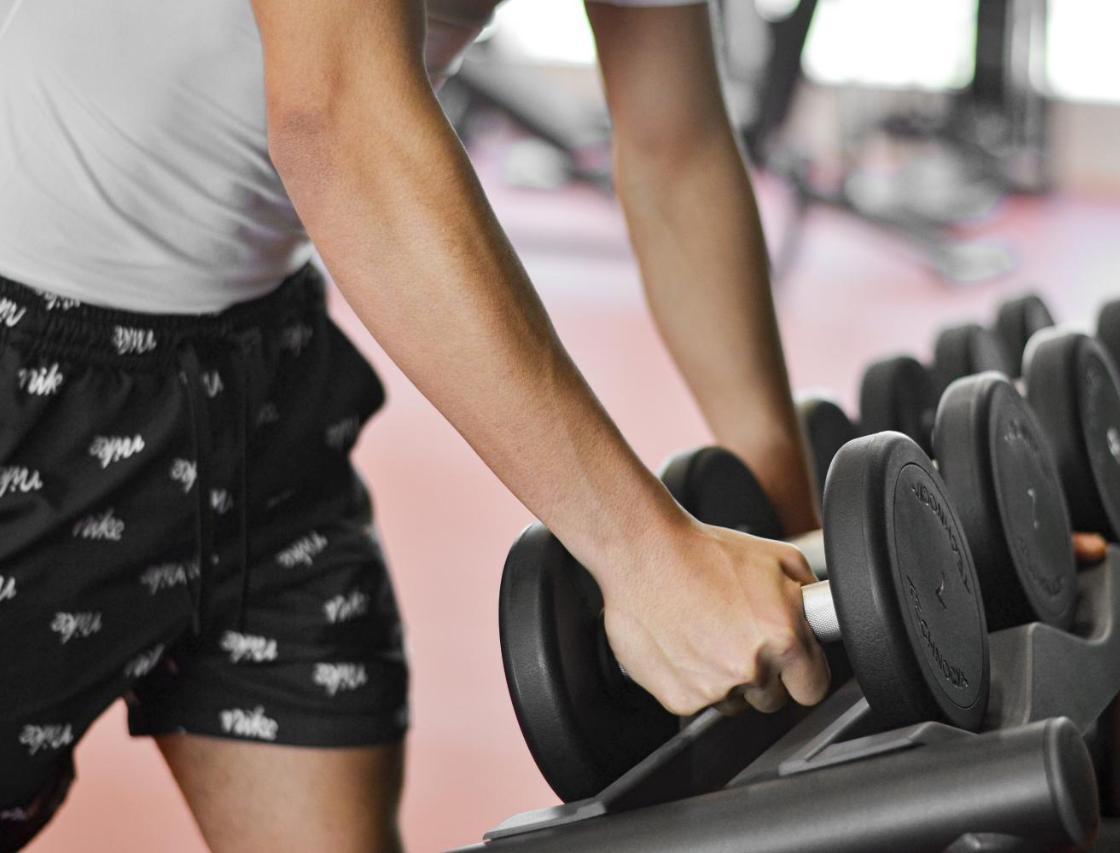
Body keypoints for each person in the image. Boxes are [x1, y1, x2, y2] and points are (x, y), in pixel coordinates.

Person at [0, 1, 832, 849]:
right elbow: (335, 121)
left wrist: (789, 524)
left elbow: (674, 151)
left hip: (265, 384)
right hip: (27, 379)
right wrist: (644, 555)